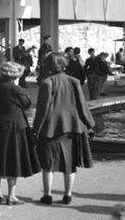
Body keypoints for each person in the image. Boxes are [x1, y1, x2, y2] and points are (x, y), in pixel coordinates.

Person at [32, 52, 94, 205]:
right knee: (69, 163)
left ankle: (47, 195)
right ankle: (68, 195)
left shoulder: (47, 82)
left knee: (48, 163)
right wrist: (89, 124)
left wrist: (36, 130)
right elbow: (82, 105)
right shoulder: (74, 81)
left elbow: (42, 109)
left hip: (51, 127)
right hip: (73, 126)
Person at [0, 61, 40, 205]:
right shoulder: (15, 88)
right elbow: (26, 104)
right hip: (14, 127)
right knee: (13, 160)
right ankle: (11, 196)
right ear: (15, 76)